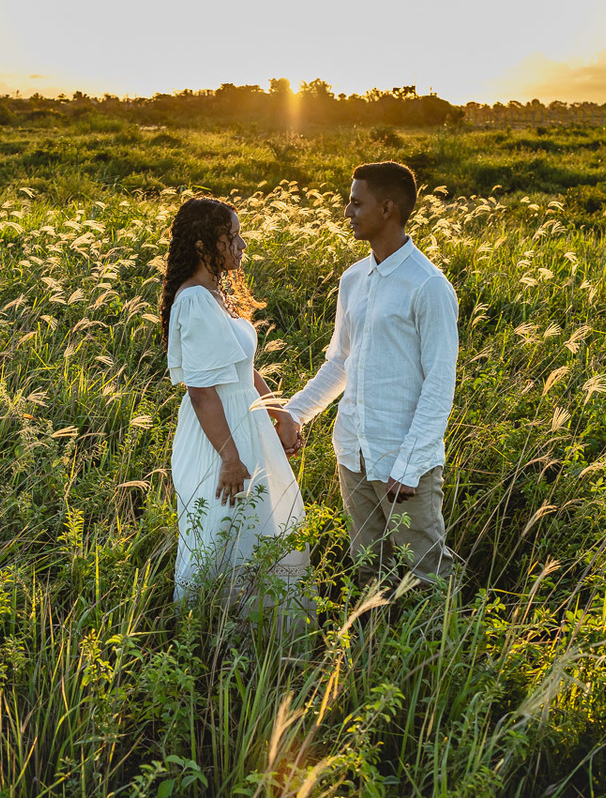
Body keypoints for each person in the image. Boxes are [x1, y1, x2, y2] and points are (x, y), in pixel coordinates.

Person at [285, 161, 460, 587]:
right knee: (369, 569)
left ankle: (443, 651)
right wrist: (293, 414)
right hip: (353, 453)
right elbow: (341, 363)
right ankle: (373, 648)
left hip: (403, 463)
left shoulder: (428, 286)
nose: (347, 212)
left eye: (355, 202)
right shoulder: (352, 280)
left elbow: (439, 386)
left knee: (428, 572)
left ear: (387, 209)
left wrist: (411, 463)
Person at [161, 196, 310, 616]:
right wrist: (229, 456)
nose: (241, 245)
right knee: (219, 535)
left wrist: (281, 415)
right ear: (204, 244)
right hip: (218, 437)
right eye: (232, 237)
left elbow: (244, 370)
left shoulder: (215, 295)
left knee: (259, 530)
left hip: (243, 428)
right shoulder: (193, 300)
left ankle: (258, 640)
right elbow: (202, 391)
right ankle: (208, 637)